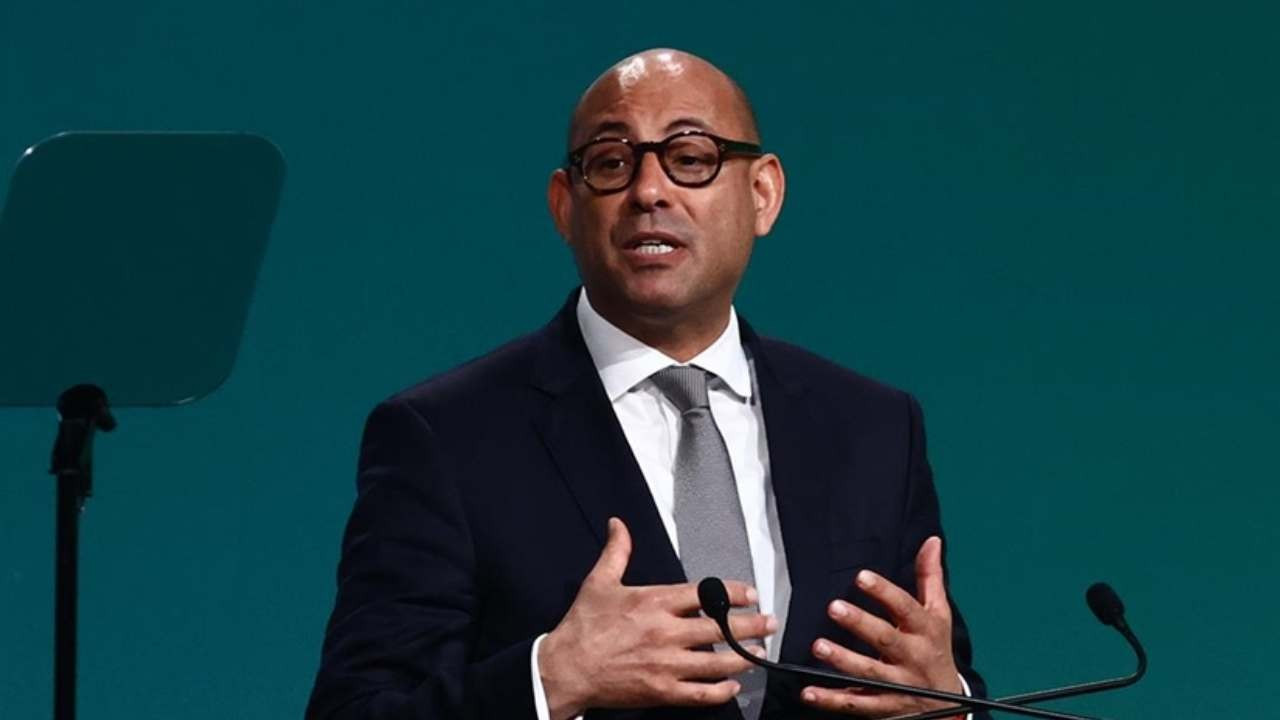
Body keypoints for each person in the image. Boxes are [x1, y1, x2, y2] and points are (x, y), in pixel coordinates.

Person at [306, 48, 988, 720]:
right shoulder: (447, 438)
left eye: (691, 158)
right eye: (611, 163)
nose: (649, 191)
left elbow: (938, 684)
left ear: (763, 194)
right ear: (565, 206)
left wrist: (949, 705)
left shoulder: (874, 428)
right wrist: (551, 680)